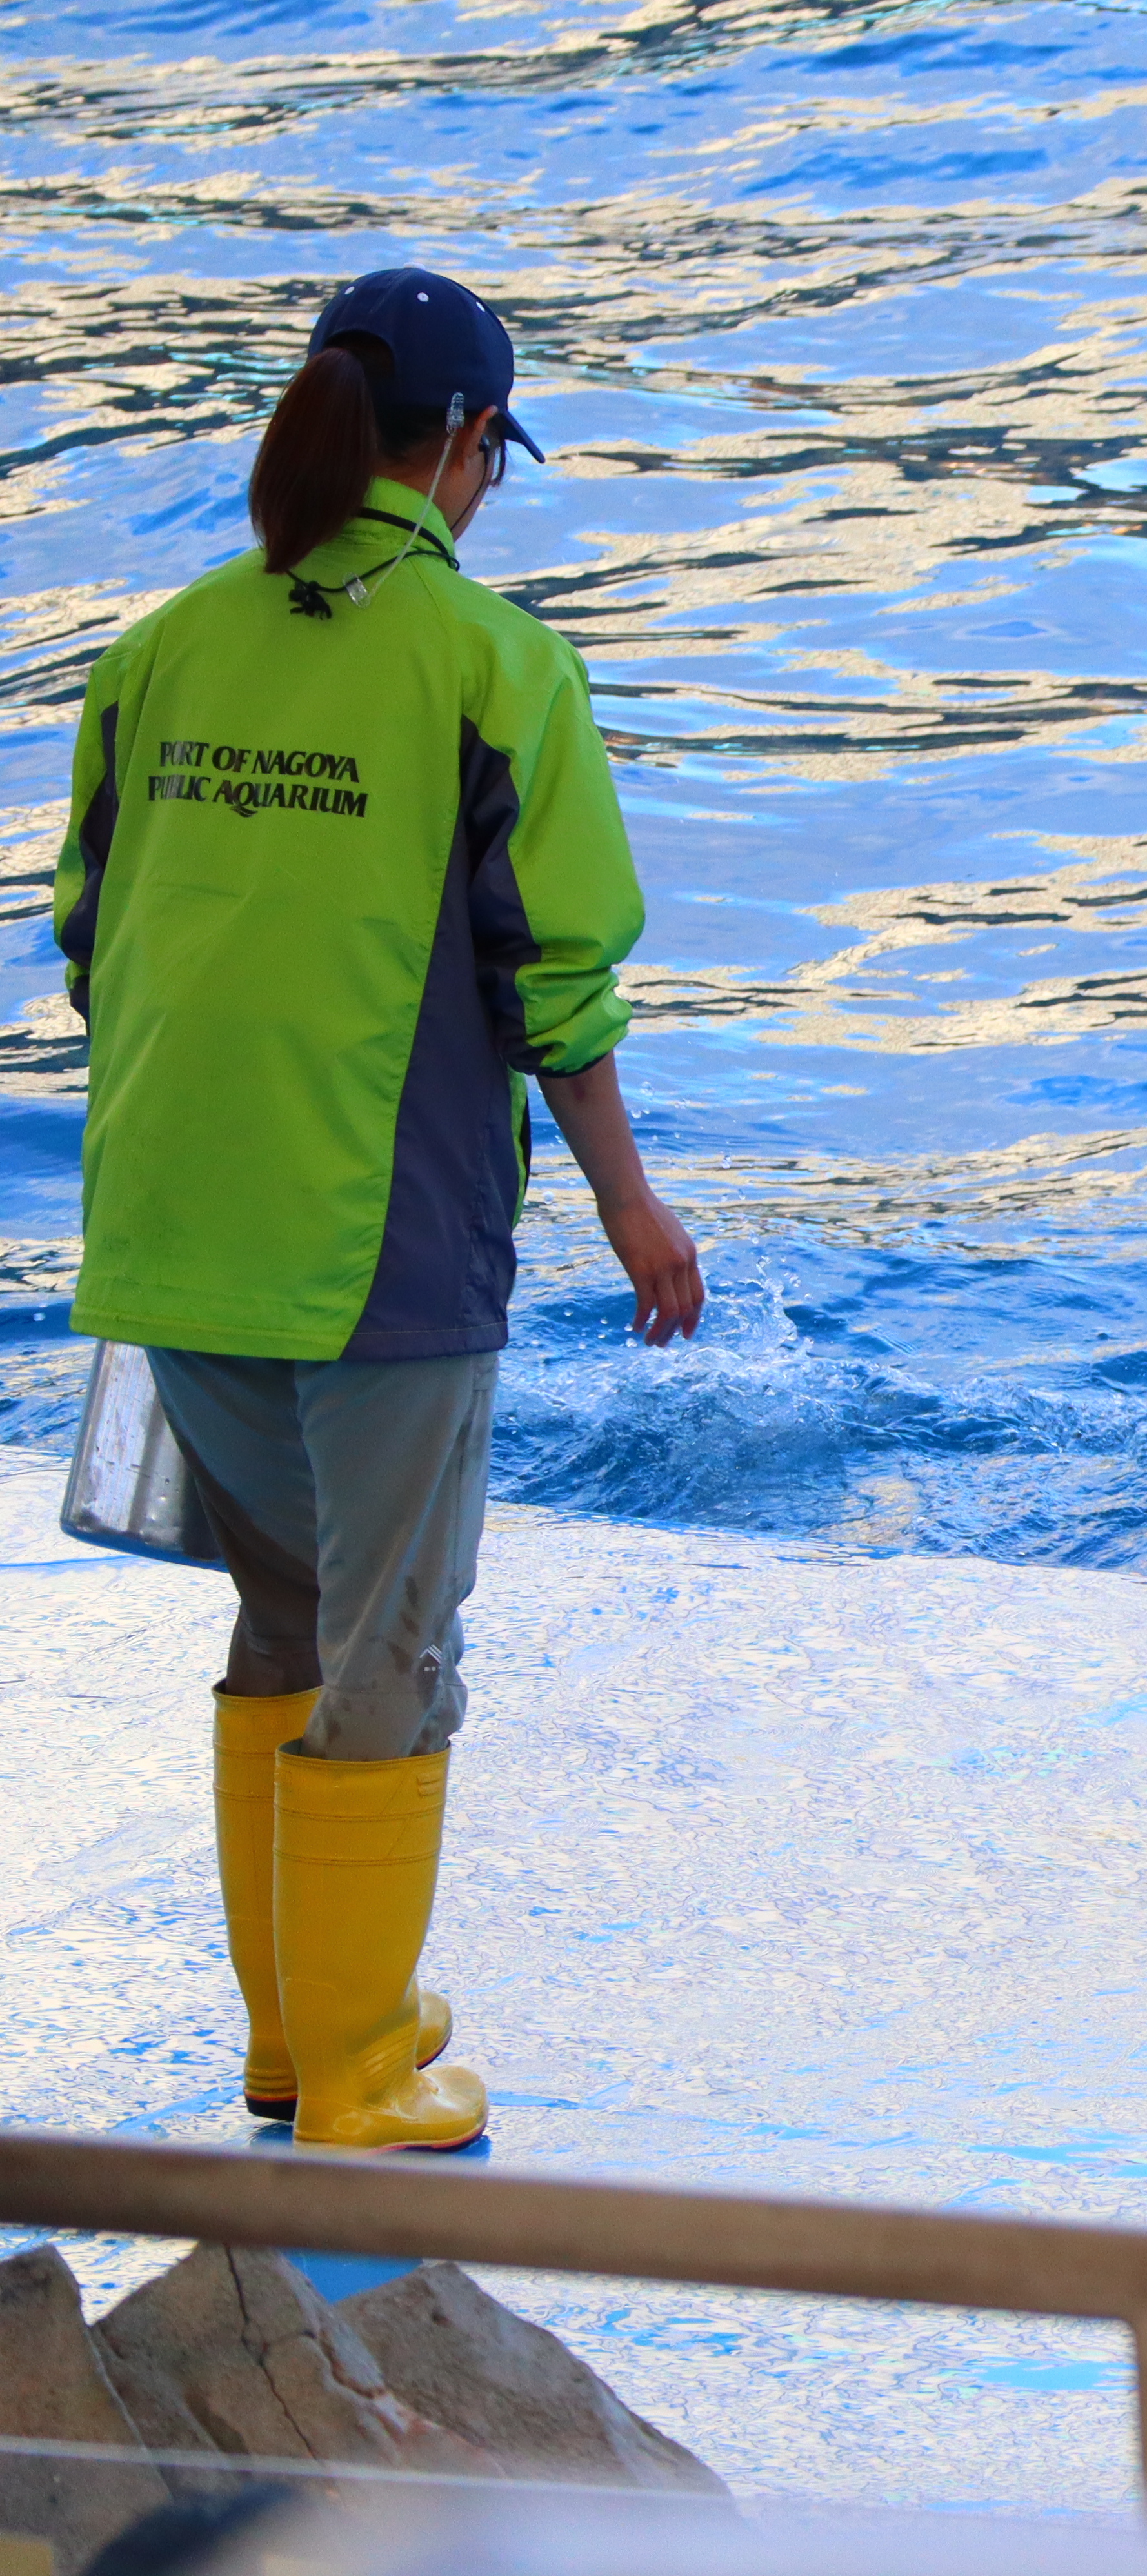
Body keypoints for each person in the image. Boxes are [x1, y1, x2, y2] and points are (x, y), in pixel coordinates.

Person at [51, 268, 704, 2153]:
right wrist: (635, 1212)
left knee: (283, 1618)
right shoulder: (494, 665)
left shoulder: (165, 645)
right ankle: (355, 2080)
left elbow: (94, 935)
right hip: (382, 1252)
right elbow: (554, 983)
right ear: (467, 446)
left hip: (171, 1230)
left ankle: (297, 2035)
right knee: (392, 1655)